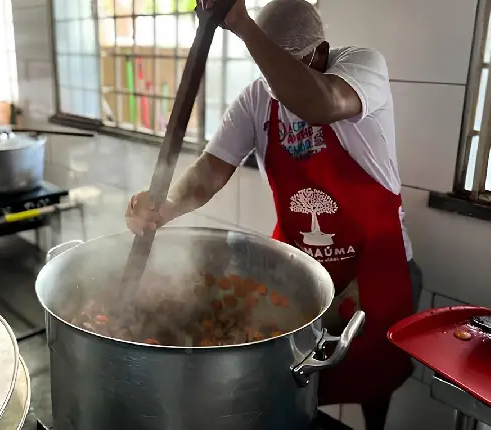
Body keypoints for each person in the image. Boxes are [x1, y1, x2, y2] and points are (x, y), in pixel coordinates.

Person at [125, 0, 422, 428]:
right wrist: (165, 207)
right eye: (267, 66)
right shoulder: (256, 99)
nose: (274, 81)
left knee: (375, 377)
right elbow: (211, 170)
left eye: (287, 63)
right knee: (294, 380)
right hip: (299, 269)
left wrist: (244, 26)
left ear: (319, 51)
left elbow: (318, 103)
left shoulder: (360, 67)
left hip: (373, 266)